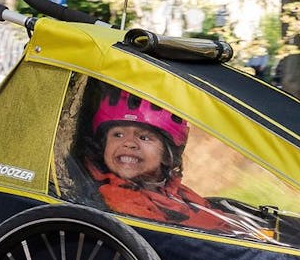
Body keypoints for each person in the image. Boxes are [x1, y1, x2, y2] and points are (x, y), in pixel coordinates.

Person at [85, 89, 233, 232]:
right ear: (104, 146)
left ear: (167, 156)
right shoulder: (120, 199)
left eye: (144, 137)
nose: (128, 143)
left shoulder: (172, 189)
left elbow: (212, 216)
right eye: (118, 135)